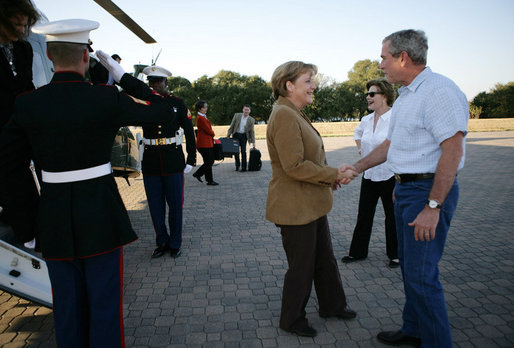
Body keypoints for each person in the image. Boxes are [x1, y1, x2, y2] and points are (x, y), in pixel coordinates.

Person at [0, 19, 178, 347]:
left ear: (50, 55)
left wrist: (27, 229)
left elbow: (9, 169)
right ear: (87, 57)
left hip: (53, 220)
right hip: (101, 216)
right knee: (104, 309)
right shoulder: (106, 98)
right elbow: (166, 113)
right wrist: (124, 77)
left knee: (68, 311)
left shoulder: (27, 104)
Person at [341, 30, 468, 347]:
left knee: (422, 276)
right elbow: (391, 145)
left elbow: (452, 152)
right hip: (409, 191)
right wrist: (358, 169)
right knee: (411, 270)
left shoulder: (439, 91)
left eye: (384, 57)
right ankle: (414, 329)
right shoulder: (409, 95)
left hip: (428, 194)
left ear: (403, 58)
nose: (380, 64)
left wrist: (433, 206)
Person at [266, 61, 357, 338]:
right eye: (308, 80)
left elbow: (309, 159)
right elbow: (294, 166)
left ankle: (332, 305)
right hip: (295, 208)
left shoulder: (293, 112)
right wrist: (332, 175)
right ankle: (291, 319)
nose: (313, 86)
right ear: (288, 85)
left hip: (310, 203)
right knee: (302, 267)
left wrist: (327, 178)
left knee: (324, 260)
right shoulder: (284, 115)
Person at [342, 78, 399, 268]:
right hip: (369, 175)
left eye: (372, 94)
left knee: (392, 217)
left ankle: (396, 255)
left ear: (385, 96)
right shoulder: (366, 120)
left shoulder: (395, 118)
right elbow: (357, 135)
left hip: (390, 175)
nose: (368, 97)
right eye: (367, 94)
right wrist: (361, 152)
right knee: (364, 215)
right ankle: (357, 252)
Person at [140, 65, 196, 259]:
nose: (155, 85)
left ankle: (175, 242)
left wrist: (192, 158)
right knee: (155, 207)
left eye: (158, 81)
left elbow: (189, 131)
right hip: (151, 162)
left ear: (166, 82)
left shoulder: (178, 103)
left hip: (173, 161)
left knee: (175, 206)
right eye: (152, 82)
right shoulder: (144, 102)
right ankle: (161, 241)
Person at [0, 0, 40, 129]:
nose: (22, 31)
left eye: (25, 25)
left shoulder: (24, 49)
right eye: (17, 25)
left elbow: (28, 84)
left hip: (21, 126)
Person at [193, 100, 218, 185]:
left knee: (209, 161)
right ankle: (209, 180)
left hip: (206, 143)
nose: (206, 108)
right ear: (200, 109)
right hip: (204, 144)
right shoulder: (201, 118)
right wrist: (213, 133)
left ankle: (199, 174)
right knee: (209, 161)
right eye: (204, 107)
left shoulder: (203, 116)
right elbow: (208, 130)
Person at [226, 104, 255, 171]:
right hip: (236, 135)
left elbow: (252, 131)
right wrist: (228, 135)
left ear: (250, 111)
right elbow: (232, 125)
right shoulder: (237, 115)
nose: (246, 111)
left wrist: (253, 142)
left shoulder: (251, 120)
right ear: (243, 110)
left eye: (247, 110)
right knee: (236, 151)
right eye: (245, 109)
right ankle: (237, 165)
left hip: (244, 136)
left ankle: (244, 167)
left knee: (243, 151)